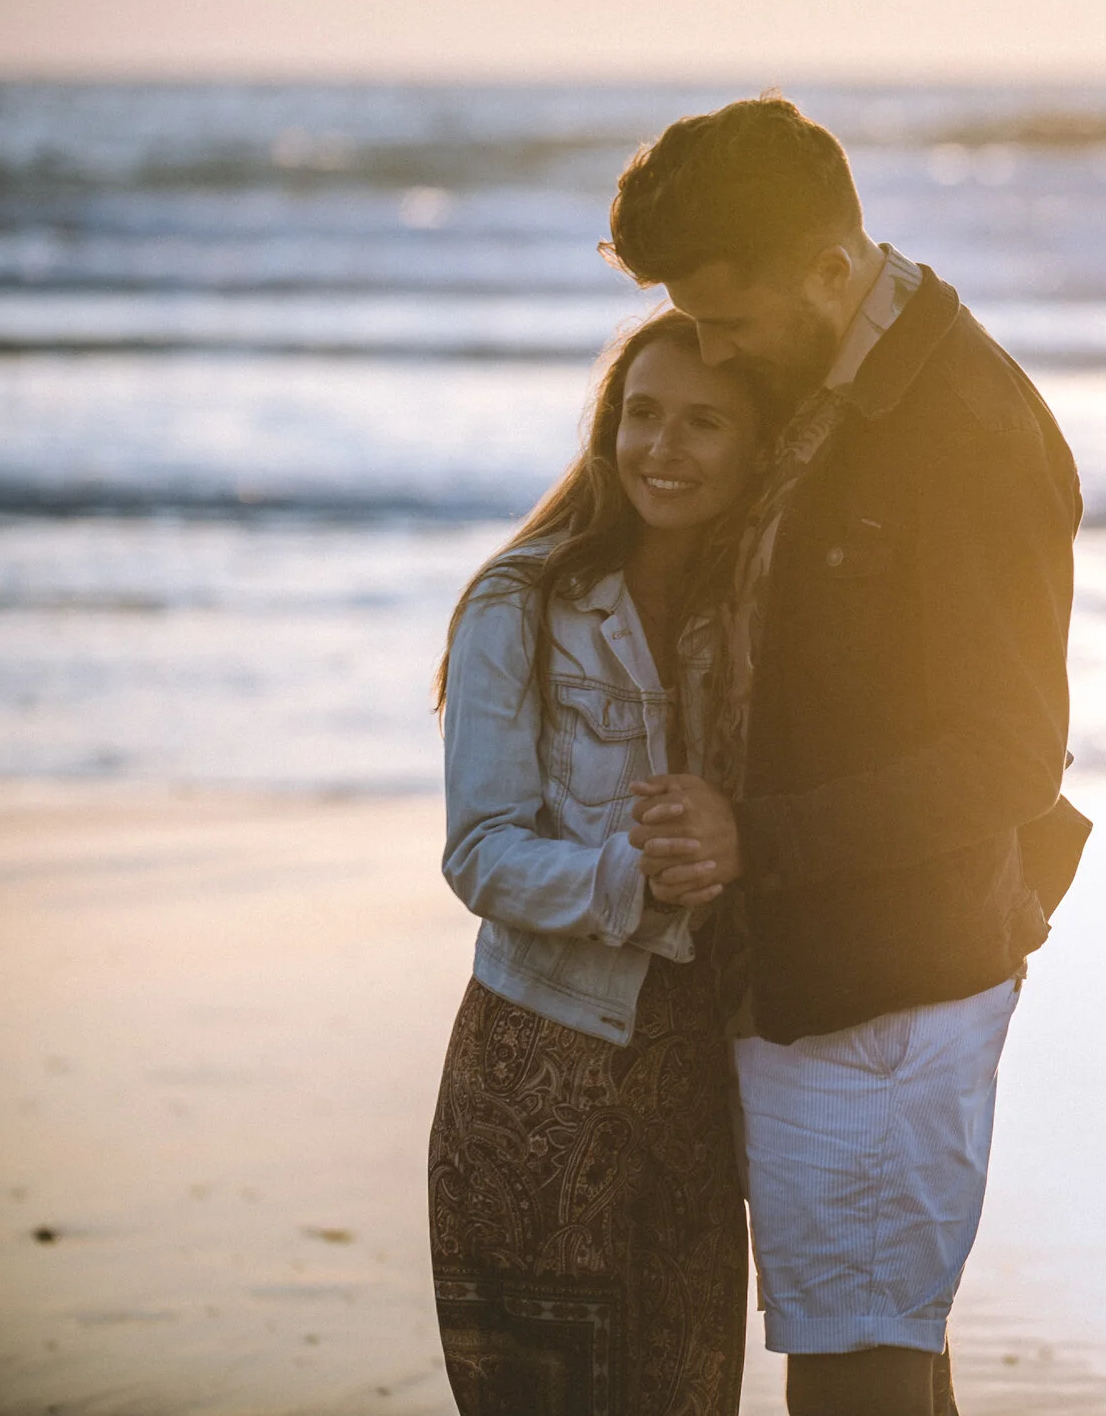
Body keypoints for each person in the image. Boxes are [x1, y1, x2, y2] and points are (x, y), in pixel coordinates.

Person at [602, 95, 1089, 1416]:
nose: (708, 352)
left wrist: (760, 834)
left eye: (728, 321)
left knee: (853, 1377)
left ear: (832, 268)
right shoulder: (819, 383)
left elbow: (1011, 755)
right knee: (880, 1355)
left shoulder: (966, 430)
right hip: (817, 974)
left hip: (895, 988)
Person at [426, 310, 771, 1415]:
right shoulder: (517, 604)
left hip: (698, 1083)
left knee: (688, 1389)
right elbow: (480, 853)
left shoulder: (753, 617)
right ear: (607, 429)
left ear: (755, 444)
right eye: (644, 416)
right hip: (541, 1067)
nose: (664, 449)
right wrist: (630, 878)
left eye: (704, 422)